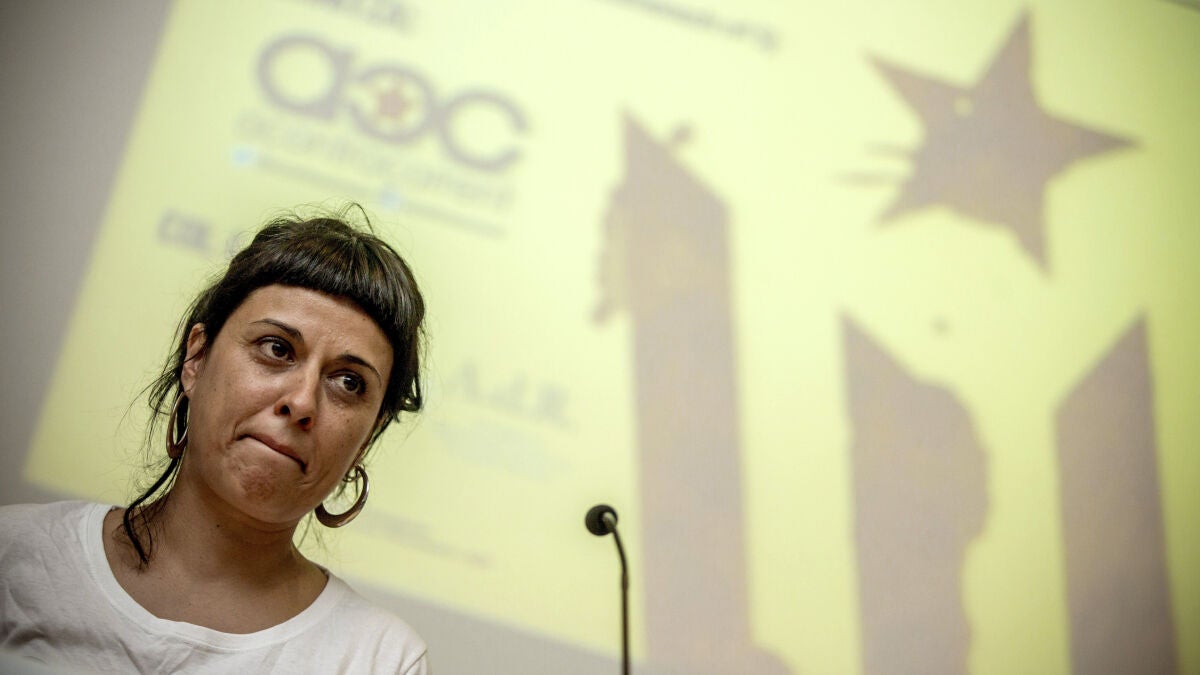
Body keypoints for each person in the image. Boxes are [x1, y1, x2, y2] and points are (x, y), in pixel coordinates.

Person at [0, 209, 429, 673]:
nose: (302, 402)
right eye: (277, 349)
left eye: (348, 382)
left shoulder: (379, 659)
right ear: (197, 359)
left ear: (367, 438)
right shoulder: (15, 556)